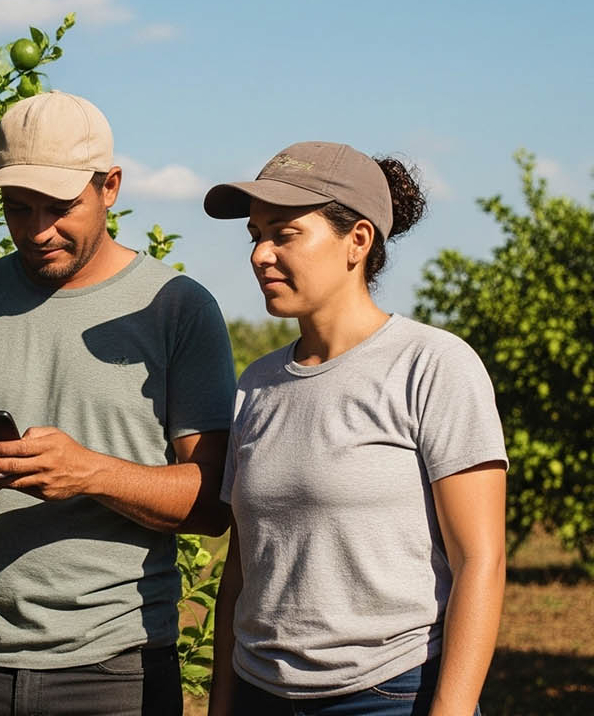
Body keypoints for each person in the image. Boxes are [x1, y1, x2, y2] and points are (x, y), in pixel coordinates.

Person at [0, 90, 237, 716]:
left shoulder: (177, 308)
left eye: (60, 206)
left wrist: (89, 473)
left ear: (111, 187)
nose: (38, 229)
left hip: (116, 668)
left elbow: (214, 503)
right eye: (18, 209)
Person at [202, 142, 508, 715]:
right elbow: (243, 567)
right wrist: (223, 702)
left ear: (358, 241)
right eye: (254, 235)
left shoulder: (431, 365)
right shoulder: (257, 384)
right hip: (258, 691)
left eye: (284, 233)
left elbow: (480, 562)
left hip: (388, 694)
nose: (260, 255)